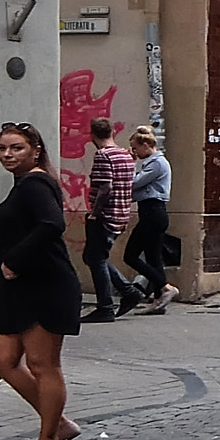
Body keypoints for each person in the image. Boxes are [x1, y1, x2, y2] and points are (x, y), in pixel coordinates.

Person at [0, 122, 84, 440]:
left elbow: (52, 223)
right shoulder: (24, 185)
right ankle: (56, 420)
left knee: (44, 365)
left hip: (45, 286)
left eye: (17, 148)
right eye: (3, 149)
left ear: (35, 150)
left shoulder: (36, 184)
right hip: (20, 292)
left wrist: (15, 259)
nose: (8, 155)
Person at [82, 117, 135, 322]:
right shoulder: (125, 155)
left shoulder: (103, 155)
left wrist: (95, 212)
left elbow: (105, 187)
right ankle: (128, 292)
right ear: (112, 132)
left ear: (93, 135)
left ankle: (106, 306)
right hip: (121, 213)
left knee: (95, 259)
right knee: (94, 257)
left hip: (105, 215)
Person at [121, 125, 177, 313]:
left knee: (130, 255)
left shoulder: (157, 163)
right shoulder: (152, 164)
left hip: (153, 213)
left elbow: (135, 183)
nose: (134, 152)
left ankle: (165, 287)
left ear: (146, 145)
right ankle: (160, 301)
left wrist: (129, 165)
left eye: (135, 148)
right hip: (152, 213)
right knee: (154, 259)